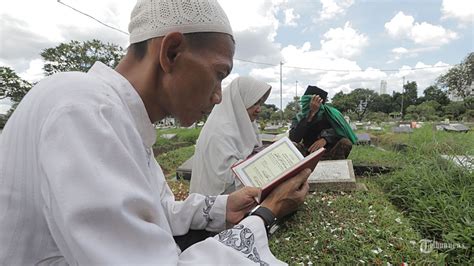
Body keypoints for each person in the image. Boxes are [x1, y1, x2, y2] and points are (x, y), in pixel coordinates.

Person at [0, 0, 311, 264]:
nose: (218, 96)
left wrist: (222, 207)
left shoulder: (115, 113)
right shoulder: (85, 108)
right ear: (171, 52)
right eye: (219, 74)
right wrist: (267, 213)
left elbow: (157, 209)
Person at [190, 76, 271, 196]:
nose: (259, 109)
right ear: (240, 101)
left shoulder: (245, 125)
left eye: (260, 103)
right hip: (215, 204)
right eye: (254, 103)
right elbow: (226, 179)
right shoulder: (221, 131)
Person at [289, 85, 357, 160]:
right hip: (308, 152)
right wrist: (310, 115)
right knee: (293, 146)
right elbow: (294, 138)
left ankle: (337, 165)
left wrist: (326, 139)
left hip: (329, 152)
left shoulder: (332, 115)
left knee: (345, 143)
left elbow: (343, 132)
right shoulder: (299, 117)